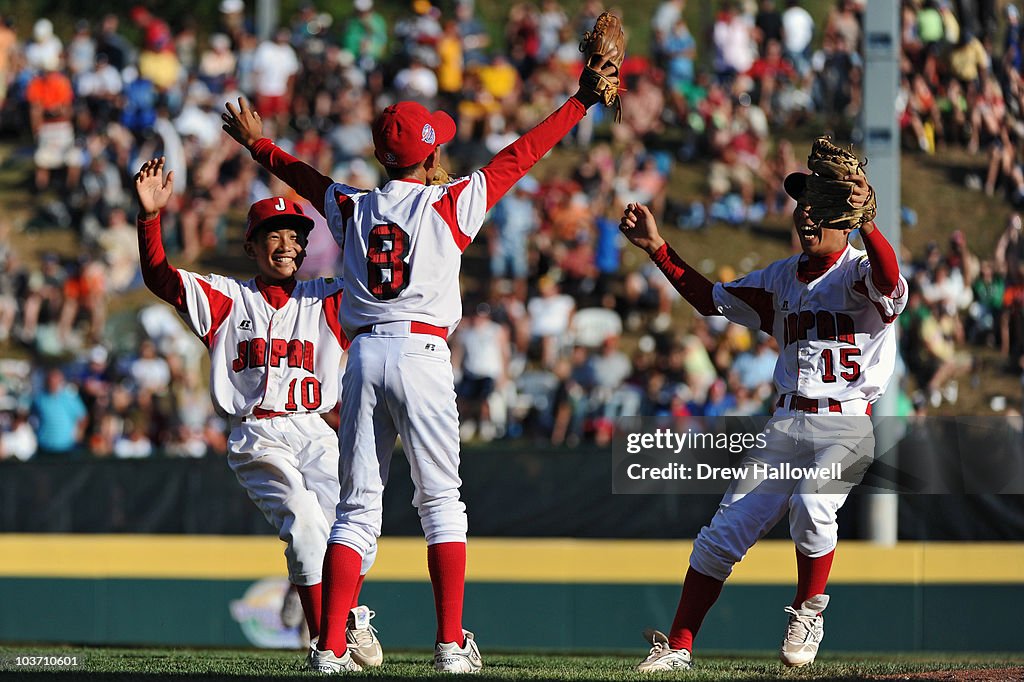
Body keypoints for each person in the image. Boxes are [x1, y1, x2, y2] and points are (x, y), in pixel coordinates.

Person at [221, 50, 620, 674]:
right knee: (441, 502)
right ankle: (450, 643)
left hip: (364, 357)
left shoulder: (351, 208)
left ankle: (328, 648)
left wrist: (258, 145)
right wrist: (582, 102)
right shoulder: (450, 203)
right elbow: (522, 153)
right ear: (430, 155)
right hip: (423, 354)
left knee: (357, 506)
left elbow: (304, 178)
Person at [619, 153, 907, 671]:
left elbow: (889, 281)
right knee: (719, 538)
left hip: (846, 421)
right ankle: (679, 647)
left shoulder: (861, 272)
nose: (806, 214)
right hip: (786, 422)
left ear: (844, 216)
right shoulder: (779, 278)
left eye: (819, 204)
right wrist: (659, 250)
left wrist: (870, 225)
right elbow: (712, 299)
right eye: (801, 203)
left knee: (814, 507)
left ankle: (808, 610)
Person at [132, 158, 381, 669]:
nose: (286, 243)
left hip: (315, 429)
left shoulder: (329, 297)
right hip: (258, 432)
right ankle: (327, 645)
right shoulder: (227, 297)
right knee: (308, 526)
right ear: (251, 246)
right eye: (273, 234)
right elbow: (161, 277)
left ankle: (335, 607)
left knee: (357, 529)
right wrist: (150, 220)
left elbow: (383, 273)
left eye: (295, 233)